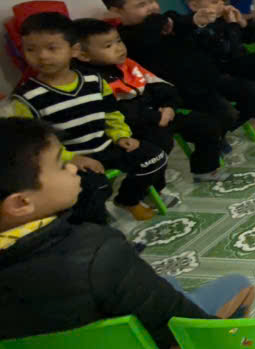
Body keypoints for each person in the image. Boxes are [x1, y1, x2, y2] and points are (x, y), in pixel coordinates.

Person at [0, 118, 255, 349]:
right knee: (239, 285)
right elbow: (180, 318)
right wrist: (203, 339)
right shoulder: (97, 251)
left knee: (163, 284)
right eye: (59, 164)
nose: (72, 168)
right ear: (20, 203)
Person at [13, 13, 169, 221]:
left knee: (155, 157)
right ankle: (96, 228)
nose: (41, 56)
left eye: (52, 48)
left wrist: (121, 136)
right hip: (69, 158)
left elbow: (112, 114)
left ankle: (128, 199)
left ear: (75, 50)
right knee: (97, 187)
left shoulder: (94, 81)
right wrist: (71, 159)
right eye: (30, 49)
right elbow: (37, 145)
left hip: (105, 146)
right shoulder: (26, 98)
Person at [100, 0, 255, 139]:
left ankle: (220, 130)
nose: (152, 7)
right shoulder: (125, 39)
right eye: (141, 5)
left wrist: (195, 19)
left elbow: (181, 22)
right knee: (227, 115)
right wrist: (167, 22)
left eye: (152, 0)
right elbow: (149, 33)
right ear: (116, 11)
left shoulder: (170, 20)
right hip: (183, 91)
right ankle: (214, 133)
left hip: (210, 78)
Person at [73, 18, 230, 183]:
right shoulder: (89, 81)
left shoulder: (128, 65)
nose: (119, 48)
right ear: (83, 55)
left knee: (207, 125)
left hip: (158, 116)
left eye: (118, 41)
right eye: (108, 46)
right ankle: (147, 188)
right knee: (159, 145)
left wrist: (169, 106)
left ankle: (205, 170)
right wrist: (156, 117)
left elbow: (163, 87)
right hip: (129, 129)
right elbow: (118, 113)